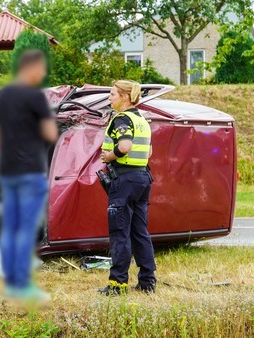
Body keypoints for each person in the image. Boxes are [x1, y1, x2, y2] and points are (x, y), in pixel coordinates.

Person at [0, 49, 58, 301]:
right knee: (26, 229)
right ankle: (22, 286)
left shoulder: (0, 96)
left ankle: (10, 282)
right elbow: (51, 134)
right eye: (40, 69)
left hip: (7, 170)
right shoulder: (35, 97)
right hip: (30, 170)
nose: (42, 74)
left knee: (10, 227)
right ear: (31, 68)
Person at [98, 80, 156, 295]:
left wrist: (109, 156)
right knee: (140, 230)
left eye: (112, 94)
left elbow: (124, 146)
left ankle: (118, 284)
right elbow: (149, 153)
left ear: (124, 96)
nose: (109, 98)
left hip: (124, 179)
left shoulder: (122, 119)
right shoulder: (142, 120)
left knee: (119, 231)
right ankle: (147, 281)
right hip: (142, 177)